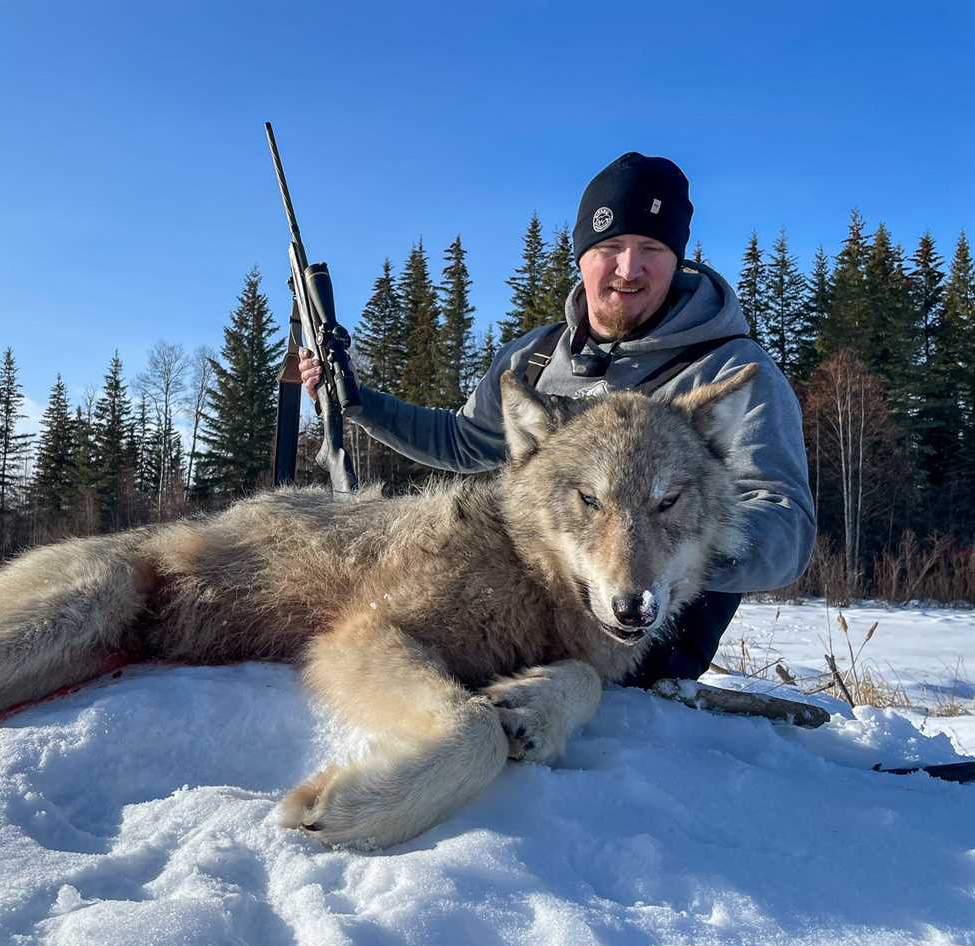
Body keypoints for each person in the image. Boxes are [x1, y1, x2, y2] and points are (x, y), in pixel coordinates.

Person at [299, 151, 815, 686]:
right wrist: (359, 403)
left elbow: (787, 530)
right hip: (519, 624)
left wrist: (680, 541)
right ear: (582, 256)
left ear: (677, 258)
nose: (628, 269)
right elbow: (463, 441)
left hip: (636, 658)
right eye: (610, 248)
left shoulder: (731, 373)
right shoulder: (536, 358)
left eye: (651, 249)